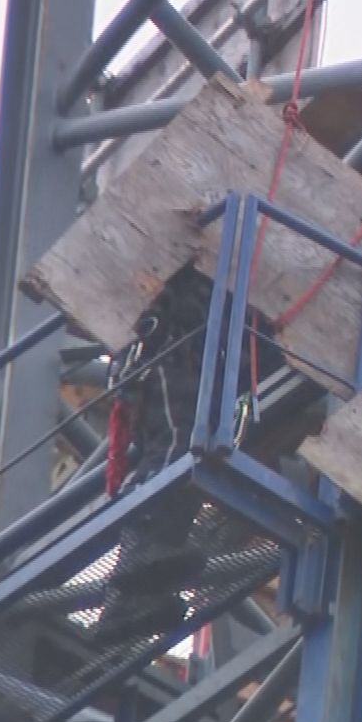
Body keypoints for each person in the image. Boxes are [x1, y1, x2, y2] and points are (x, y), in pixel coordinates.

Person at [92, 268, 283, 643]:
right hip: (166, 355)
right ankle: (126, 594)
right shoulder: (192, 271)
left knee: (184, 469)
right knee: (174, 453)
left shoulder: (229, 276)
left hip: (204, 363)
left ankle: (137, 596)